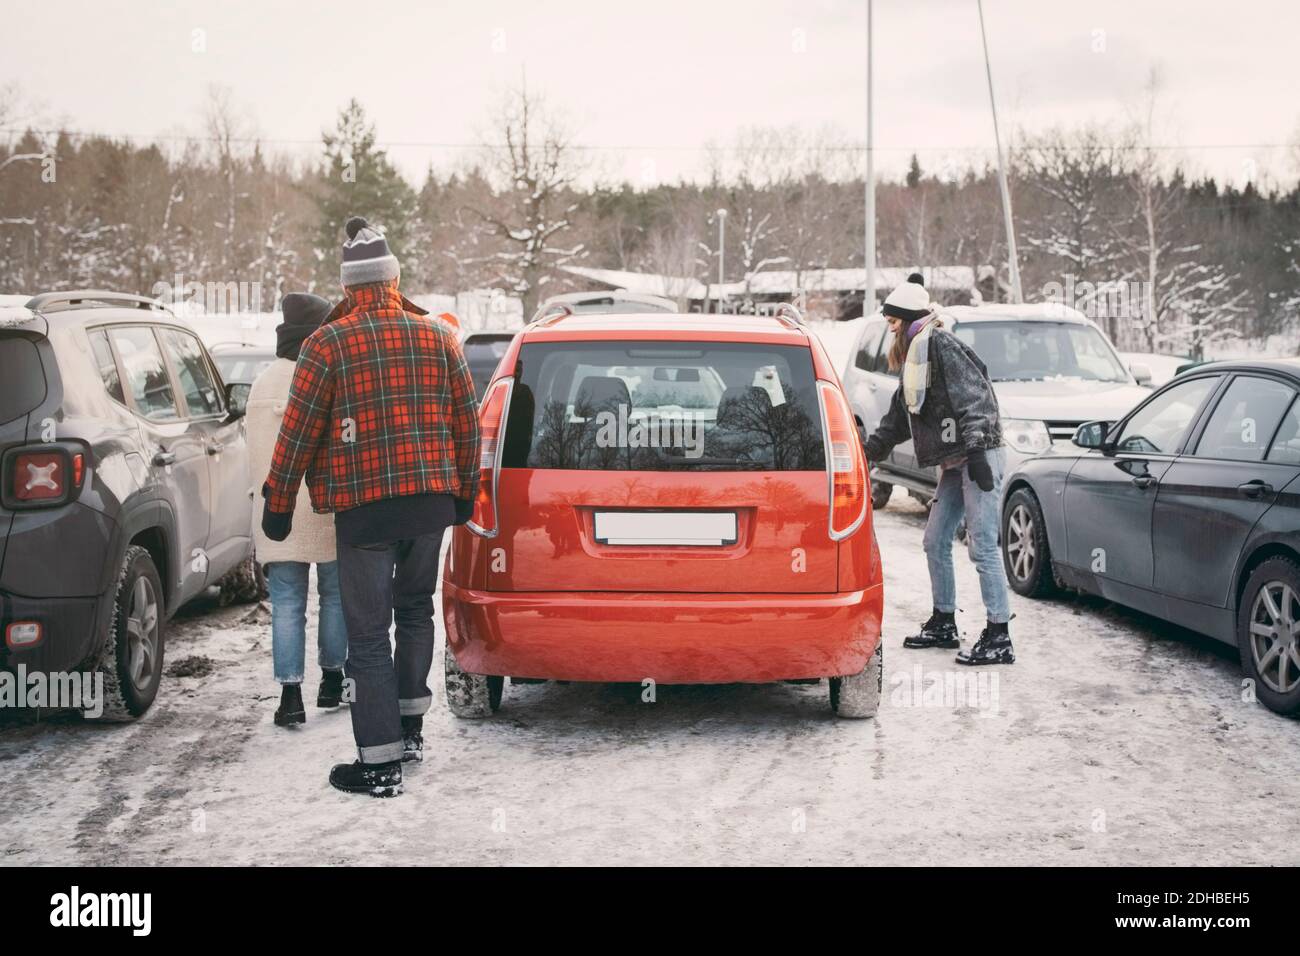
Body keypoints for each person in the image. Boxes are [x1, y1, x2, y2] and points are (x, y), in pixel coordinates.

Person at [261, 216, 481, 797]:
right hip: (430, 506)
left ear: (348, 286)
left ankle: (380, 761)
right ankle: (409, 732)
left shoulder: (326, 344)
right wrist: (464, 493)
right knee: (414, 613)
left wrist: (278, 503)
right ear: (393, 278)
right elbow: (467, 421)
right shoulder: (438, 336)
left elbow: (298, 432)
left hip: (364, 512)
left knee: (366, 634)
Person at [861, 273, 1015, 665]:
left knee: (982, 545)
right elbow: (900, 414)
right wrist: (871, 450)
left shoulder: (941, 345)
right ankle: (944, 621)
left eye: (893, 321)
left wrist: (978, 451)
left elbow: (976, 397)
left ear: (909, 320)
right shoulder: (916, 355)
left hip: (979, 455)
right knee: (934, 540)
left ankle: (999, 635)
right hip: (955, 459)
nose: (890, 328)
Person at [247, 293, 348, 726]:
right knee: (335, 597)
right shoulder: (325, 373)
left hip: (277, 508)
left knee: (286, 603)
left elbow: (252, 451)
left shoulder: (261, 383)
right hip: (324, 504)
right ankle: (331, 680)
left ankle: (290, 696)